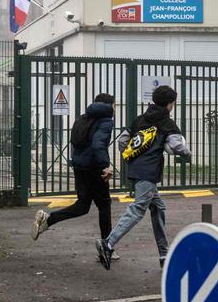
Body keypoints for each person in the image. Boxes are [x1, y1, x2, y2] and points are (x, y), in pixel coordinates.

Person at [98, 85, 190, 270]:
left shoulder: (140, 119)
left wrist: (135, 157)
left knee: (158, 207)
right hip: (148, 172)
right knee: (139, 208)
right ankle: (108, 243)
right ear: (170, 104)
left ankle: (164, 255)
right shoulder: (167, 123)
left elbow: (123, 141)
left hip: (135, 168)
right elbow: (176, 146)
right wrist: (187, 154)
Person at [32, 93, 118, 260]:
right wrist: (105, 166)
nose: (115, 108)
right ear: (109, 105)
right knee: (104, 206)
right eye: (114, 105)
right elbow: (98, 144)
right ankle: (107, 248)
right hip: (94, 168)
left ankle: (49, 219)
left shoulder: (82, 118)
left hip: (80, 167)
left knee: (83, 206)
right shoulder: (106, 121)